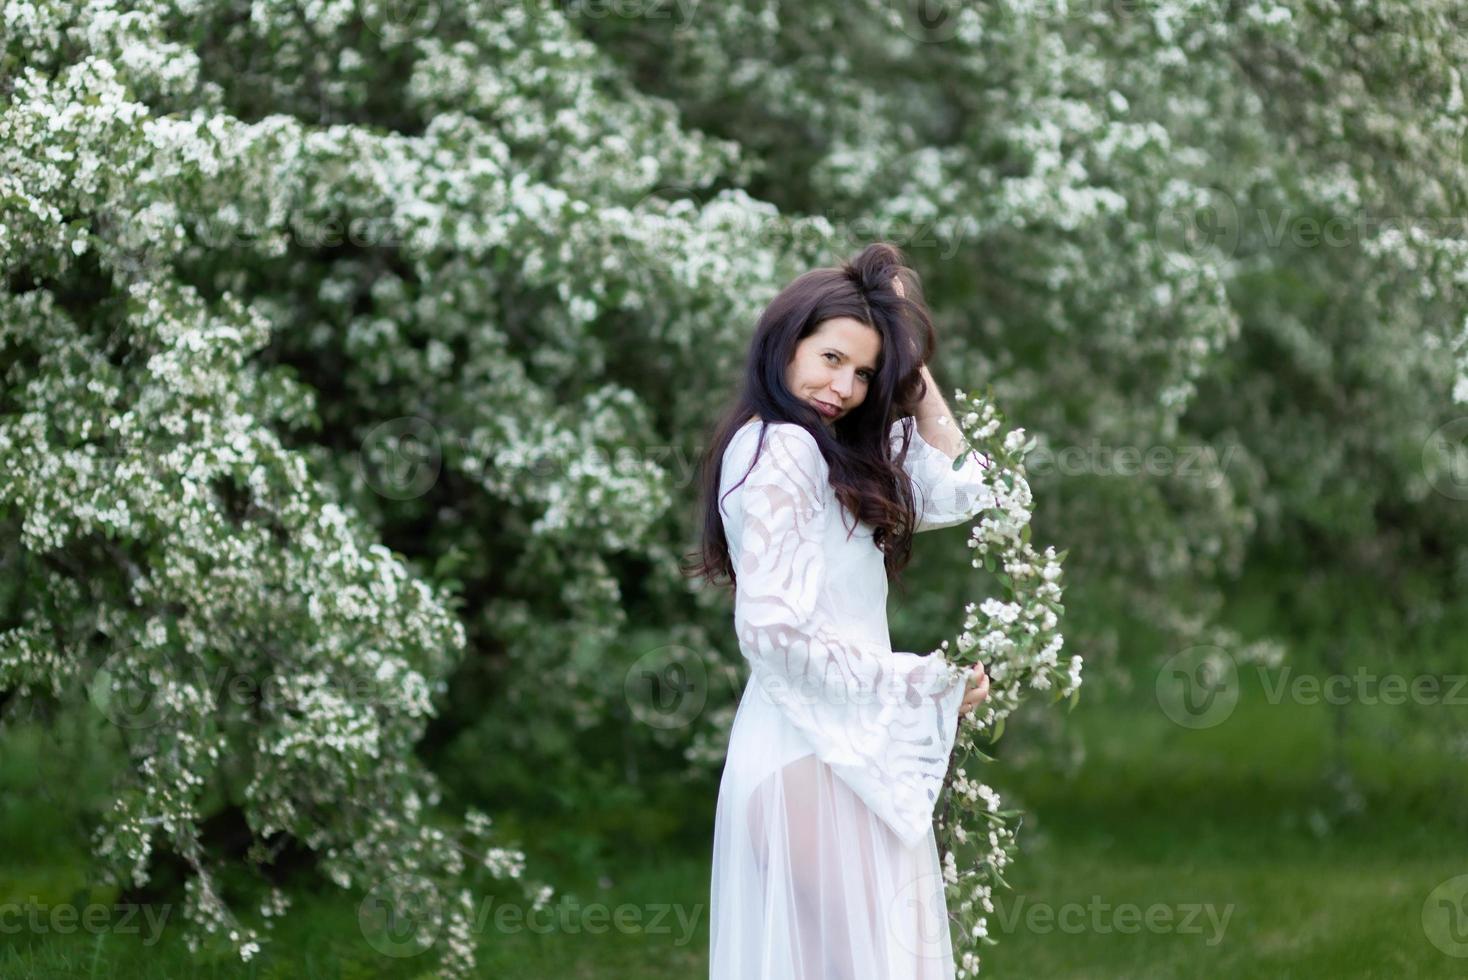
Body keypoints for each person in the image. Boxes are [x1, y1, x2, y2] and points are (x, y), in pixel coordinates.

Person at [683, 242, 995, 978]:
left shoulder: (826, 450)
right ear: (784, 343)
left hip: (838, 751)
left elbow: (967, 489)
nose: (844, 387)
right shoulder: (782, 450)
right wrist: (919, 683)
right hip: (805, 759)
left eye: (863, 373)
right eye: (830, 359)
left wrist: (914, 381)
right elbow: (774, 632)